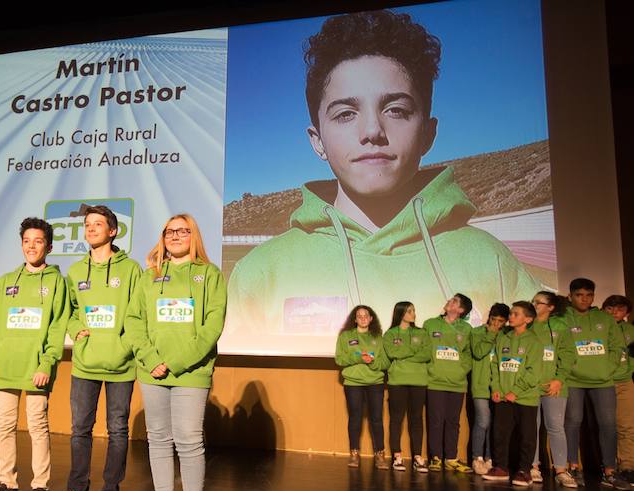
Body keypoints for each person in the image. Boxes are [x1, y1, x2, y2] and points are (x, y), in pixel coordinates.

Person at [225, 9, 543, 347]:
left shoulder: (491, 260)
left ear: (428, 133)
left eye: (396, 110)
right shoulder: (259, 273)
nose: (373, 131)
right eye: (346, 114)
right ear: (318, 141)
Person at [125, 214, 227, 491]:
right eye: (169, 231)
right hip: (152, 372)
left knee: (188, 439)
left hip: (191, 373)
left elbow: (212, 327)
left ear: (194, 236)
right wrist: (152, 360)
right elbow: (134, 322)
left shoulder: (209, 275)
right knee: (158, 438)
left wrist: (177, 363)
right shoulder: (148, 276)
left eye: (183, 231)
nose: (175, 236)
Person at [41, 206, 142, 491]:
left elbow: (139, 312)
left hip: (121, 364)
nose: (91, 228)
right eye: (87, 224)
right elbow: (69, 311)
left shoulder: (131, 269)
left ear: (113, 231)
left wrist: (125, 344)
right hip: (85, 363)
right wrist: (75, 330)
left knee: (118, 431)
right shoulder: (74, 271)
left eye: (98, 224)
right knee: (79, 431)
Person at [0, 218, 70, 491]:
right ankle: (9, 487)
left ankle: (40, 488)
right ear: (21, 245)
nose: (32, 246)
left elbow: (57, 327)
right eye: (27, 241)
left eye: (38, 241)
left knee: (37, 427)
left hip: (36, 368)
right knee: (4, 427)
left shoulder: (56, 282)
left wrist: (47, 362)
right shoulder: (5, 282)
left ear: (49, 246)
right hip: (5, 366)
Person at [563, 278, 627, 490]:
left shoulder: (604, 318)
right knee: (573, 422)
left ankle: (609, 470)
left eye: (589, 295)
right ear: (570, 295)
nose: (584, 299)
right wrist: (571, 367)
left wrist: (608, 368)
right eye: (579, 295)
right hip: (573, 379)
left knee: (608, 424)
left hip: (603, 380)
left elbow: (617, 346)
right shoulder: (564, 318)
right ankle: (573, 466)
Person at [482, 301, 544, 486]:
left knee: (526, 435)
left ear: (528, 319)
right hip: (502, 397)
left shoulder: (534, 342)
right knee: (500, 433)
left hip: (525, 398)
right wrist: (497, 389)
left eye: (516, 314)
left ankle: (524, 470)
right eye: (511, 313)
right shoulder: (503, 338)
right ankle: (501, 467)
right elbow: (495, 365)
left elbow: (534, 372)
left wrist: (515, 391)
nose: (511, 316)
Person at [529, 291, 577, 488]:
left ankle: (560, 470)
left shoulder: (559, 326)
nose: (534, 305)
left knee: (555, 427)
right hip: (529, 386)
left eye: (539, 302)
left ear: (551, 307)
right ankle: (533, 467)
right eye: (533, 301)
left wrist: (559, 378)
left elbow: (567, 355)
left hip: (553, 385)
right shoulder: (527, 325)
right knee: (531, 427)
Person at [336, 305, 391, 469]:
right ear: (354, 319)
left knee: (376, 419)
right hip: (353, 383)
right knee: (355, 419)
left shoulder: (379, 338)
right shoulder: (345, 336)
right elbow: (339, 359)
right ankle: (354, 454)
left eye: (366, 315)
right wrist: (359, 358)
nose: (362, 318)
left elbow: (386, 362)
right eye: (359, 316)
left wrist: (373, 361)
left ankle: (380, 455)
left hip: (375, 383)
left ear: (371, 318)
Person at [424, 293, 473, 473]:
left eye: (454, 301)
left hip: (457, 383)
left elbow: (468, 354)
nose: (448, 301)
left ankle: (451, 458)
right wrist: (431, 369)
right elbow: (425, 349)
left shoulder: (466, 329)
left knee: (453, 421)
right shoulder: (430, 324)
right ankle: (435, 458)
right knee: (435, 420)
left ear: (460, 310)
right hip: (435, 381)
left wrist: (462, 370)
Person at [383, 301, 430, 471]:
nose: (414, 313)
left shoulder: (421, 333)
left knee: (416, 419)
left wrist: (404, 355)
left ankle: (417, 456)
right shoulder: (389, 334)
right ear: (401, 313)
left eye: (414, 310)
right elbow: (392, 352)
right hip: (397, 381)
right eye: (410, 311)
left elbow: (426, 354)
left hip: (419, 381)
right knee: (397, 419)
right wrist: (413, 352)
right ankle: (397, 456)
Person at [469, 303, 509, 475]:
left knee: (495, 424)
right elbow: (478, 352)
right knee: (483, 421)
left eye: (500, 321)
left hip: (500, 385)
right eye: (494, 320)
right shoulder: (477, 332)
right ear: (489, 317)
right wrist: (491, 334)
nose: (496, 324)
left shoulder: (507, 335)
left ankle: (490, 458)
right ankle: (477, 457)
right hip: (481, 385)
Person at [602, 294, 634, 488]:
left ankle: (628, 467)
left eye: (620, 309)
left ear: (627, 313)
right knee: (606, 426)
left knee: (627, 426)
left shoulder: (630, 330)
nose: (615, 312)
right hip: (603, 383)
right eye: (610, 308)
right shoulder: (598, 328)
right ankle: (608, 467)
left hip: (625, 382)